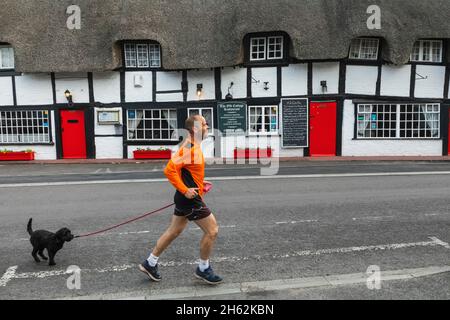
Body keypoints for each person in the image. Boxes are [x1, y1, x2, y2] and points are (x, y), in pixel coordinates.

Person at [139, 115, 222, 285]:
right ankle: (203, 269)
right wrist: (185, 190)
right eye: (205, 125)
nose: (208, 127)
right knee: (212, 230)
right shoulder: (189, 148)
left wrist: (199, 183)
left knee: (174, 231)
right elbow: (170, 170)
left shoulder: (194, 146)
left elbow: (187, 171)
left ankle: (150, 262)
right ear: (196, 129)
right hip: (189, 200)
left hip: (186, 198)